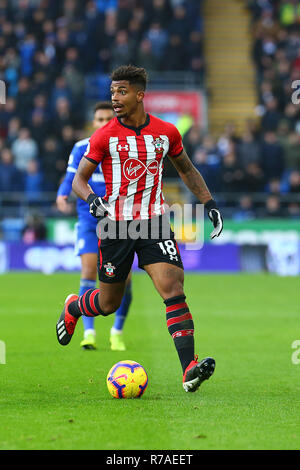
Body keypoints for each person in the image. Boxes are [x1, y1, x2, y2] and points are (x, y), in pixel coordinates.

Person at [56, 65, 223, 393]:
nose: (115, 98)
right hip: (116, 226)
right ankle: (75, 306)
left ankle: (189, 367)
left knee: (172, 288)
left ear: (139, 95)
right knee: (108, 304)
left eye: (121, 92)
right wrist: (91, 200)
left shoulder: (166, 132)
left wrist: (209, 203)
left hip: (155, 222)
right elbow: (79, 179)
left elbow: (187, 169)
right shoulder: (104, 136)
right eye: (113, 92)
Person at [56, 101, 132, 351]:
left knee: (126, 279)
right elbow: (71, 177)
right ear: (93, 122)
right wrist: (62, 194)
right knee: (89, 272)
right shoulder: (81, 147)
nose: (103, 123)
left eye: (107, 119)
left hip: (119, 220)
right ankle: (88, 332)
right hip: (89, 219)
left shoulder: (124, 147)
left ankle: (117, 332)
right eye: (99, 119)